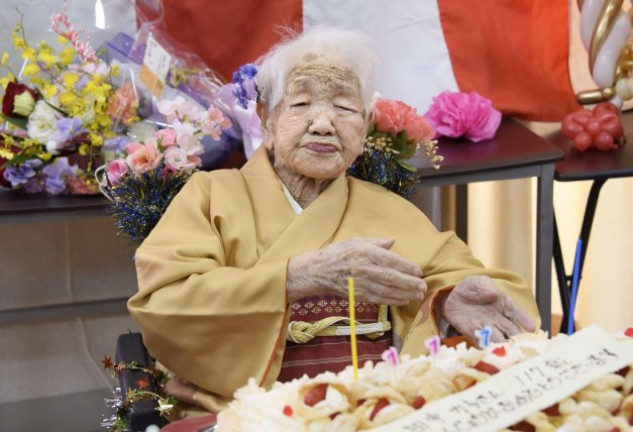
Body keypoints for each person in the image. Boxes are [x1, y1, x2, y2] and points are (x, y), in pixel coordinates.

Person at [128, 27, 540, 415]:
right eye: (302, 104)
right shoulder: (210, 196)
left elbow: (481, 288)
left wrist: (447, 300)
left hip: (374, 414)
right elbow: (164, 304)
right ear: (267, 120)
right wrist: (294, 278)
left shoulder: (389, 210)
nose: (324, 123)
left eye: (344, 107)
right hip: (246, 415)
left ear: (363, 129)